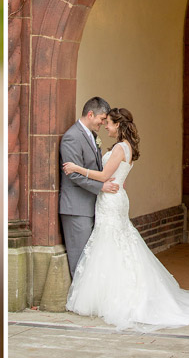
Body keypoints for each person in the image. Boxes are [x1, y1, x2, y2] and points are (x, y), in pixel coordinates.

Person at [62, 108, 189, 331]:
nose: (106, 127)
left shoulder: (120, 148)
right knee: (117, 244)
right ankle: (116, 294)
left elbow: (103, 176)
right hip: (116, 196)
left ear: (119, 126)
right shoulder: (127, 148)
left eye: (109, 123)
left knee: (111, 243)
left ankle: (119, 298)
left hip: (111, 200)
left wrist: (77, 168)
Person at [59, 97, 119, 278]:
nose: (103, 123)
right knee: (80, 258)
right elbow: (74, 174)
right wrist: (101, 186)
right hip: (76, 207)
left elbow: (95, 168)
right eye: (102, 119)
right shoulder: (72, 137)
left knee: (91, 257)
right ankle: (77, 300)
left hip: (90, 205)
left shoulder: (91, 135)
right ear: (90, 114)